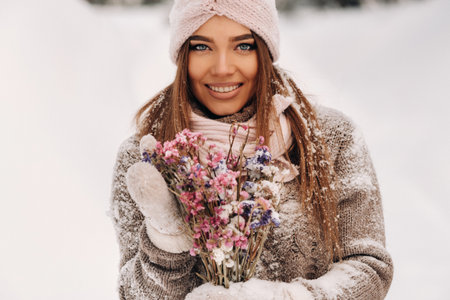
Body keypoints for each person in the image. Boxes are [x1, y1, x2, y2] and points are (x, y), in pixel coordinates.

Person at [109, 0, 394, 299]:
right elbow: (133, 294)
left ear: (265, 51)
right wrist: (167, 239)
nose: (222, 68)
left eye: (243, 46)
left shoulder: (332, 140)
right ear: (182, 55)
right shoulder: (146, 160)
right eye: (201, 47)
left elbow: (369, 268)